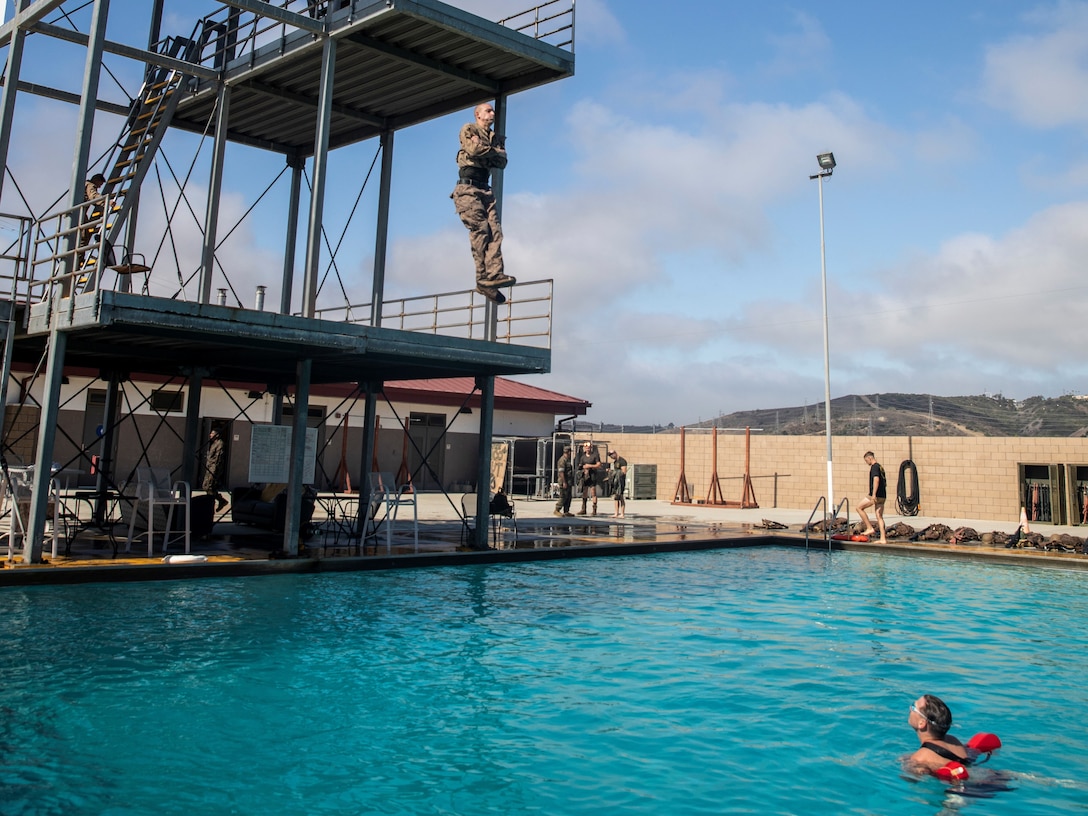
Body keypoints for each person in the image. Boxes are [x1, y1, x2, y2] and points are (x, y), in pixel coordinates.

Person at [451, 102, 515, 303]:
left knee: (495, 232)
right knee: (480, 230)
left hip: (485, 189)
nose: (492, 113)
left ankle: (494, 276)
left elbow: (502, 162)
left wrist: (486, 149)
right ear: (478, 115)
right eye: (488, 110)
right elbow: (472, 149)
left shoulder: (495, 137)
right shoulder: (469, 129)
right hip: (468, 189)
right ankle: (482, 278)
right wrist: (492, 152)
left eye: (492, 110)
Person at [906, 694, 968, 773]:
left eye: (913, 707)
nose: (910, 708)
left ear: (921, 723)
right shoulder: (953, 740)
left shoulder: (919, 758)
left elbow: (914, 782)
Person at [857, 450, 887, 543]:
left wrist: (873, 494)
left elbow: (876, 480)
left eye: (866, 461)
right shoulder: (881, 467)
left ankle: (869, 528)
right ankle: (883, 539)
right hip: (883, 495)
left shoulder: (874, 467)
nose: (867, 463)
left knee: (859, 508)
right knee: (879, 517)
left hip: (875, 495)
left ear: (870, 458)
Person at [202, 427, 228, 512]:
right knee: (206, 486)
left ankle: (213, 504)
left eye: (212, 433)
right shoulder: (213, 444)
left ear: (217, 435)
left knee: (210, 486)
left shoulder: (220, 443)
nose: (210, 435)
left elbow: (218, 458)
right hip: (209, 467)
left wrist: (214, 470)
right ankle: (220, 500)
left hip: (214, 468)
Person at [575, 441, 602, 515]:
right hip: (585, 476)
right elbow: (580, 465)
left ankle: (594, 510)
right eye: (586, 448)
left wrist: (589, 466)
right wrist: (582, 468)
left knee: (593, 492)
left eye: (589, 448)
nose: (587, 449)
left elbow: (599, 465)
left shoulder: (595, 455)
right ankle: (583, 509)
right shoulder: (583, 457)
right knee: (584, 492)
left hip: (592, 475)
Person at [554, 444, 574, 517]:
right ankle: (557, 510)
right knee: (563, 496)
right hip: (564, 481)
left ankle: (566, 511)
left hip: (568, 481)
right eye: (569, 452)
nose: (570, 453)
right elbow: (561, 472)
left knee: (568, 497)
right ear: (567, 452)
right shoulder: (562, 460)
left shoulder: (567, 460)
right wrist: (564, 482)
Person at [608, 450, 627, 518]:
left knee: (620, 496)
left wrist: (616, 473)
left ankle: (622, 513)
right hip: (615, 481)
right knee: (616, 497)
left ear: (615, 453)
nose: (611, 457)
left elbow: (624, 472)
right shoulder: (615, 461)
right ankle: (616, 513)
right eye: (610, 456)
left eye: (612, 455)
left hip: (620, 481)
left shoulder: (622, 461)